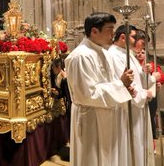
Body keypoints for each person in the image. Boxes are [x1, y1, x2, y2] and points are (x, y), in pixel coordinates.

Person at [65, 12, 135, 166]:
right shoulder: (81, 56)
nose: (113, 34)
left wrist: (124, 88)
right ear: (94, 31)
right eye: (110, 29)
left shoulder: (102, 52)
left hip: (106, 115)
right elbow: (87, 94)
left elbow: (105, 83)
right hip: (92, 119)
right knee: (93, 159)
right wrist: (120, 85)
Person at [109, 25, 158, 165]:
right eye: (134, 37)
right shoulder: (114, 55)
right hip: (128, 108)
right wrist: (145, 93)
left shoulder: (128, 54)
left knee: (140, 144)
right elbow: (125, 83)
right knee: (132, 145)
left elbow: (137, 79)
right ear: (122, 37)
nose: (135, 41)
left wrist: (145, 73)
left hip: (138, 107)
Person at [134, 29, 164, 154]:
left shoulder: (151, 63)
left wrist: (157, 83)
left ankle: (152, 145)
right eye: (139, 51)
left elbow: (160, 76)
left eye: (143, 51)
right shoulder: (132, 61)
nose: (140, 54)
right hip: (137, 97)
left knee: (151, 120)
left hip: (150, 96)